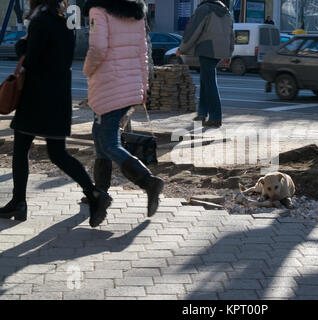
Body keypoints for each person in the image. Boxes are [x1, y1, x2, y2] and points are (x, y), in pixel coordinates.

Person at [0, 0, 112, 227]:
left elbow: (32, 60)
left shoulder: (40, 22)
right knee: (57, 153)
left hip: (36, 98)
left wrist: (21, 47)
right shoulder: (64, 24)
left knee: (21, 149)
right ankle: (93, 194)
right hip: (58, 97)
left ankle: (20, 202)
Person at [82, 0, 164, 218]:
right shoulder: (136, 14)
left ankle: (149, 183)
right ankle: (100, 191)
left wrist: (87, 70)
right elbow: (143, 54)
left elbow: (97, 49)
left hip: (108, 88)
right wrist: (144, 87)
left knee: (108, 143)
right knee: (100, 136)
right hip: (129, 88)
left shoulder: (98, 11)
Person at [177, 0, 234, 128]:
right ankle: (202, 114)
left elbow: (193, 30)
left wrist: (182, 48)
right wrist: (229, 53)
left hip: (207, 48)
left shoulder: (204, 9)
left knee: (209, 83)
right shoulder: (226, 11)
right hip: (221, 49)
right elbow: (231, 34)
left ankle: (215, 117)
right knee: (205, 80)